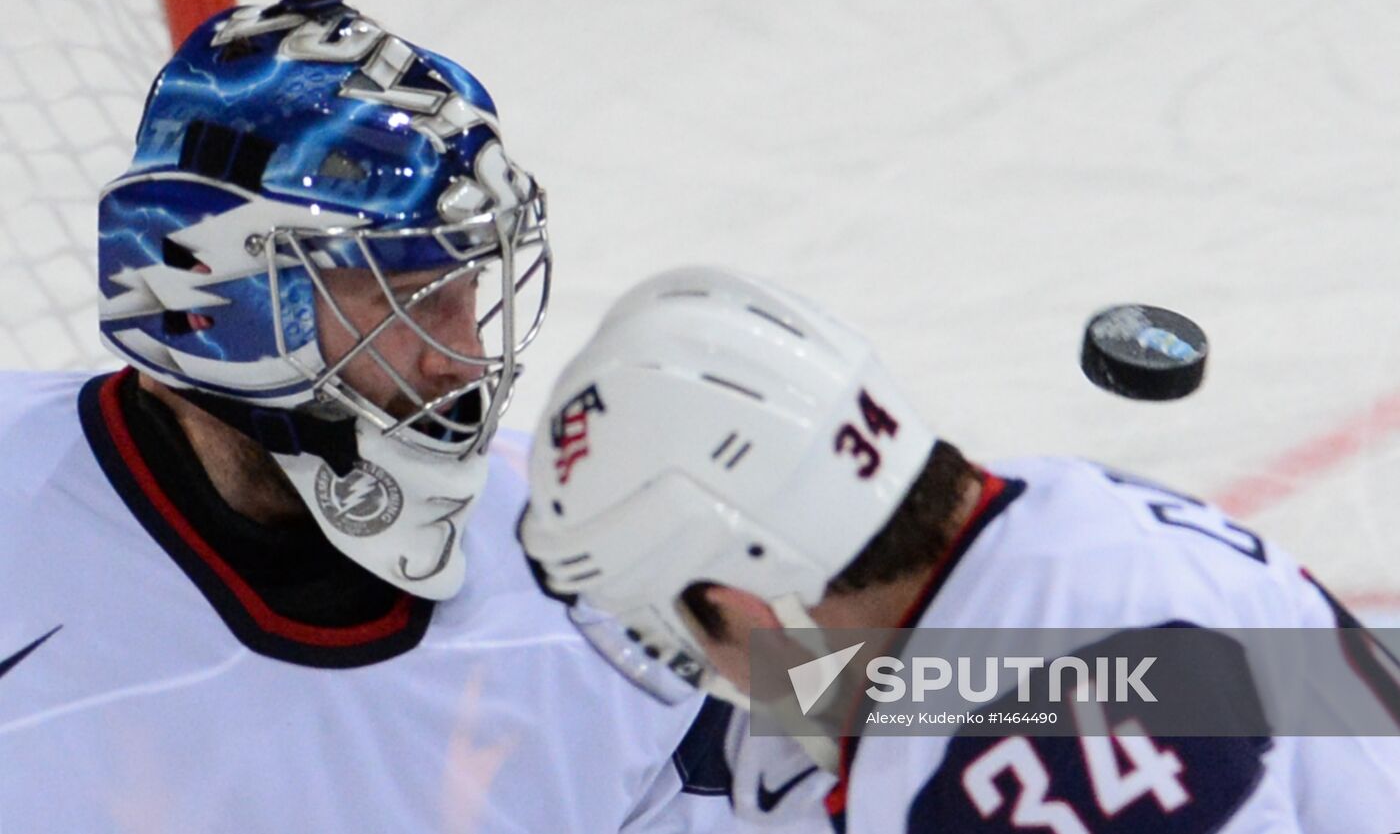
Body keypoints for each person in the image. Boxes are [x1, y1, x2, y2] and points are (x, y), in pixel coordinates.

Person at [0, 0, 734, 832]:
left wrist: (892, 540)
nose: (465, 355)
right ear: (214, 299)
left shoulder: (620, 564)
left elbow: (901, 701)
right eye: (411, 296)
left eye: (470, 287)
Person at [519, 265, 1400, 833]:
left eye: (683, 630)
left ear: (750, 600)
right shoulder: (1050, 517)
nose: (711, 668)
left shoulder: (1040, 757)